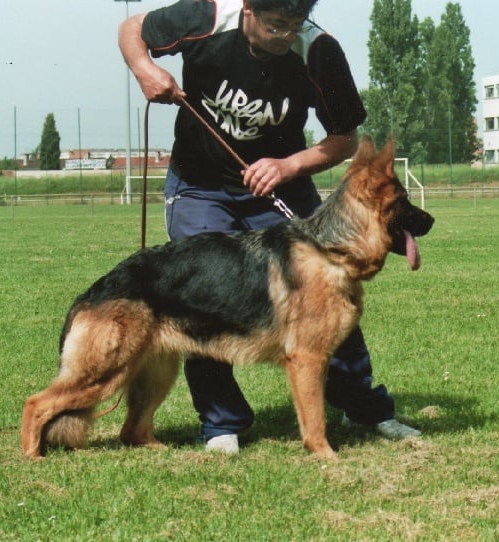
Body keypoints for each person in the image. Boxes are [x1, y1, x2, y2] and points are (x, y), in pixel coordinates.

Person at [118, 0, 421, 454]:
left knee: (330, 294)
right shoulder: (205, 18)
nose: (284, 35)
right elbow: (132, 27)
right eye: (276, 24)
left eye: (293, 25)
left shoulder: (318, 50)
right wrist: (143, 68)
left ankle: (364, 407)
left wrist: (287, 165)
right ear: (248, 9)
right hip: (199, 185)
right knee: (203, 293)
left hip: (283, 180)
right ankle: (222, 424)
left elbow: (345, 140)